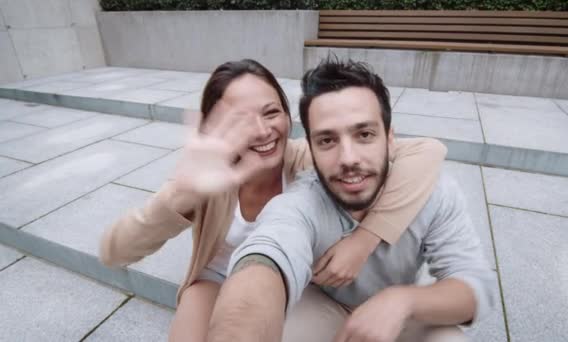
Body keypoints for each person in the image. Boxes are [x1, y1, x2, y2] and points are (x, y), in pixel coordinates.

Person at [99, 59, 447, 341]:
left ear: (287, 115)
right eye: (241, 120)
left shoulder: (308, 160)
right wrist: (180, 195)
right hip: (213, 280)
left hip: (290, 285)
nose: (264, 131)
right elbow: (114, 253)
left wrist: (365, 239)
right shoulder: (206, 177)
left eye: (271, 112)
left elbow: (428, 152)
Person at [206, 59, 496, 342]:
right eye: (327, 141)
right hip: (320, 307)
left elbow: (474, 286)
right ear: (311, 148)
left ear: (390, 138)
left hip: (405, 318)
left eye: (365, 134)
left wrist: (402, 301)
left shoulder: (436, 193)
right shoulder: (302, 200)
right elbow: (265, 257)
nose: (349, 159)